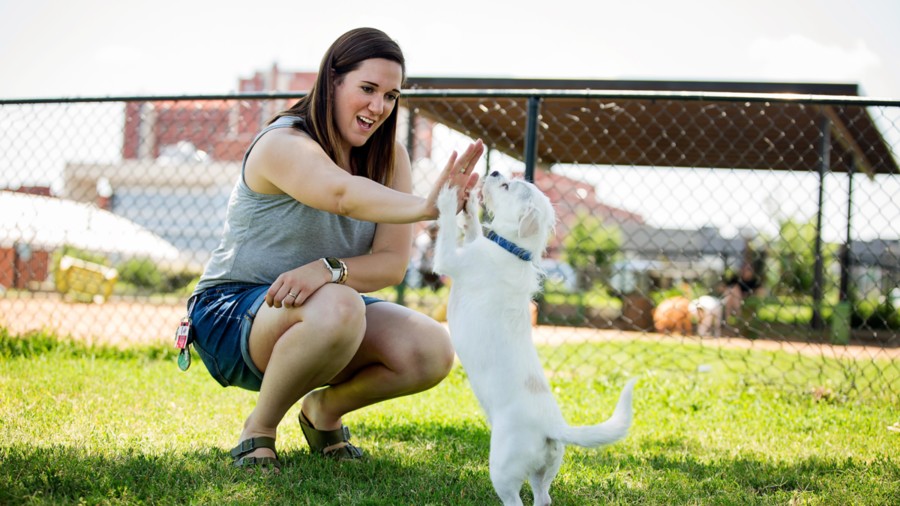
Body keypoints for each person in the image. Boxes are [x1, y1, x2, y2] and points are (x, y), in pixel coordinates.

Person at [186, 27, 484, 470]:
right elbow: (340, 193)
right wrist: (425, 206)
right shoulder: (283, 143)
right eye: (367, 89)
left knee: (431, 348)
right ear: (332, 82)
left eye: (390, 96)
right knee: (341, 306)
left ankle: (323, 411)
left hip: (324, 308)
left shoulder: (390, 158)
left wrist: (328, 269)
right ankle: (259, 429)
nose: (378, 107)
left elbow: (390, 264)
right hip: (230, 315)